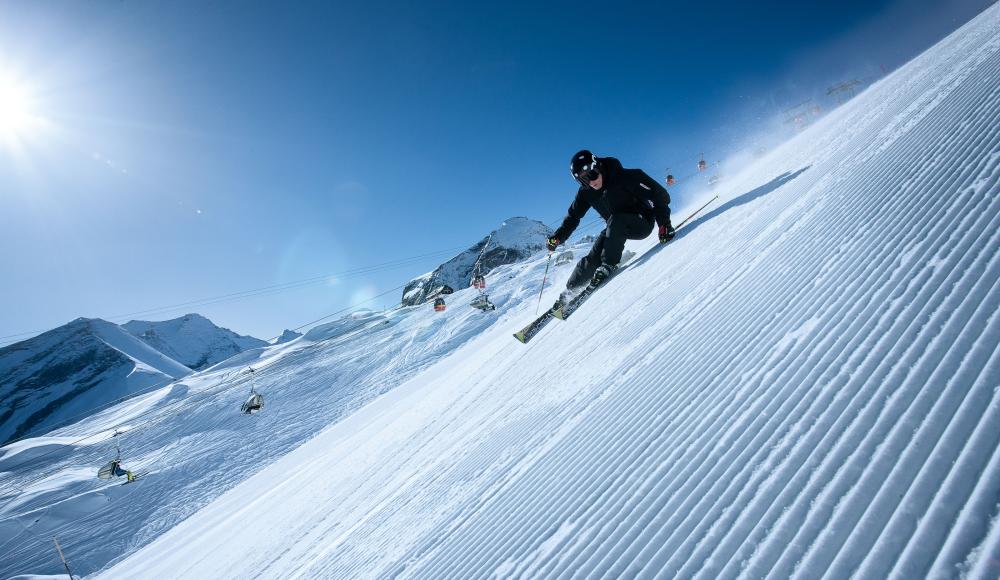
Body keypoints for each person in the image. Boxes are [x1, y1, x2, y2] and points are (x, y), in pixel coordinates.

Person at [546, 150, 674, 308]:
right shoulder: (586, 193)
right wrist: (558, 237)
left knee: (616, 221)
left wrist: (664, 224)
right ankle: (569, 292)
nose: (591, 182)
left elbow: (660, 195)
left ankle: (608, 265)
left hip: (642, 223)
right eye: (584, 180)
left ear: (598, 166)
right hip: (615, 228)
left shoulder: (625, 177)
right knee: (593, 257)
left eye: (592, 175)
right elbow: (573, 217)